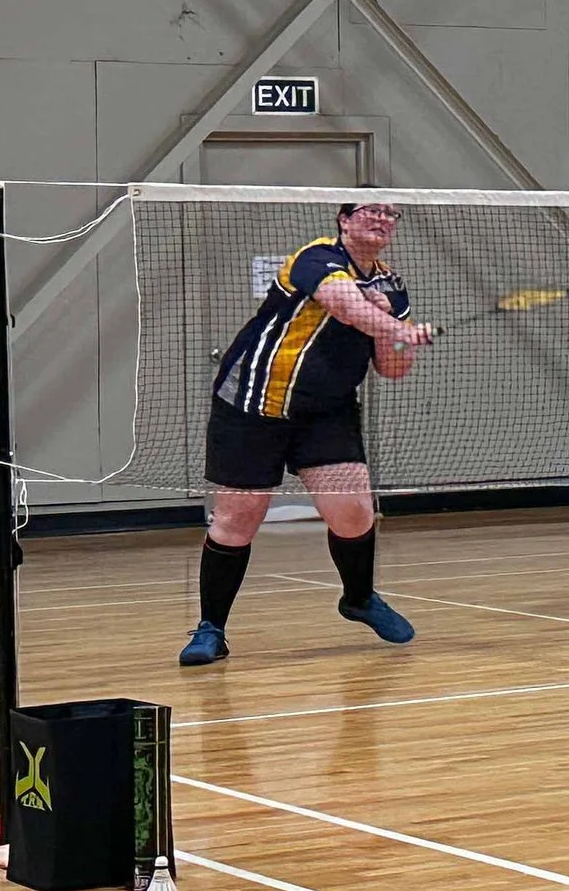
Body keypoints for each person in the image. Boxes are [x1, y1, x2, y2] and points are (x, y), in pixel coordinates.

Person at [181, 199, 432, 665]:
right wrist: (393, 324)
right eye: (370, 211)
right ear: (344, 220)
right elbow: (345, 306)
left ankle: (359, 599)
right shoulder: (318, 258)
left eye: (390, 214)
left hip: (325, 413)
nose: (381, 219)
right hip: (253, 405)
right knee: (237, 519)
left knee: (354, 513)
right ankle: (211, 629)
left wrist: (392, 332)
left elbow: (393, 368)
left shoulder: (392, 288)